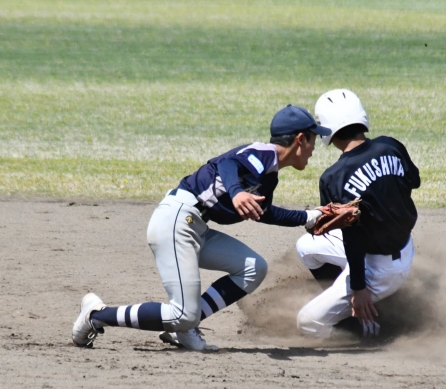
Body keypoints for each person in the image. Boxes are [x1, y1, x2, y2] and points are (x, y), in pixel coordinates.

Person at [73, 105, 330, 351]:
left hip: (194, 227)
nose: (314, 148)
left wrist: (309, 216)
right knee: (182, 313)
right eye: (314, 139)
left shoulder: (268, 175)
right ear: (300, 139)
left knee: (253, 267)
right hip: (177, 220)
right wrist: (236, 192)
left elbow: (262, 212)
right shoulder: (263, 154)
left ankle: (184, 330)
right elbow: (227, 164)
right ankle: (97, 315)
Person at [295, 89, 420, 338]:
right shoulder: (390, 145)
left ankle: (363, 325)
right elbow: (413, 181)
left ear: (328, 130)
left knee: (306, 323)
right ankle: (348, 304)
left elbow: (352, 237)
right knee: (306, 246)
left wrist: (358, 287)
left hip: (379, 271)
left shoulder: (334, 177)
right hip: (404, 247)